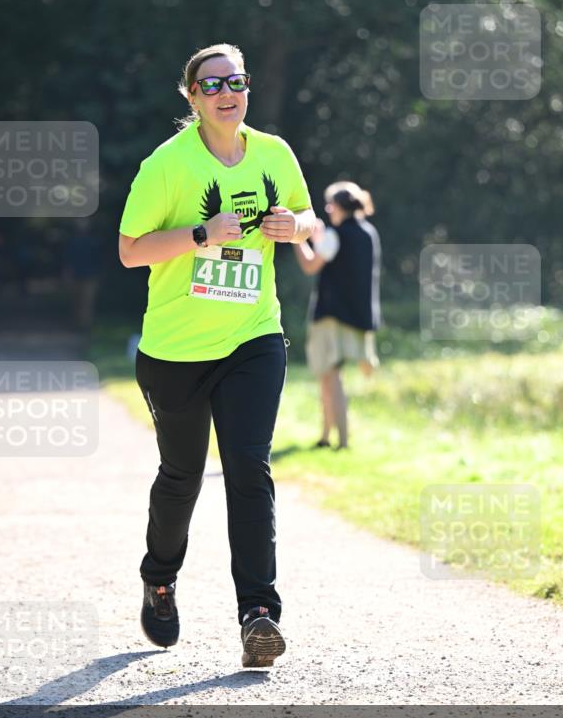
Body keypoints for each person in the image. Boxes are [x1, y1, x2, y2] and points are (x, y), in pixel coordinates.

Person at [118, 42, 315, 667]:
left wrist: (297, 227)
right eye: (212, 85)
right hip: (175, 350)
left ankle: (259, 614)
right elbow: (130, 250)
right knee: (180, 477)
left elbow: (306, 214)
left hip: (253, 335)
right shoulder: (166, 166)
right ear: (192, 97)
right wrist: (201, 233)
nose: (227, 92)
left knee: (248, 469)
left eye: (237, 80)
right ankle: (160, 578)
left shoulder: (274, 153)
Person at [292, 181, 381, 450]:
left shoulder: (336, 234)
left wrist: (297, 239)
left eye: (330, 204)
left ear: (339, 206)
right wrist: (320, 239)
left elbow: (310, 265)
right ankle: (325, 435)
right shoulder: (369, 233)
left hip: (331, 316)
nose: (328, 209)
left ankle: (340, 441)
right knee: (332, 378)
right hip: (359, 316)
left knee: (329, 378)